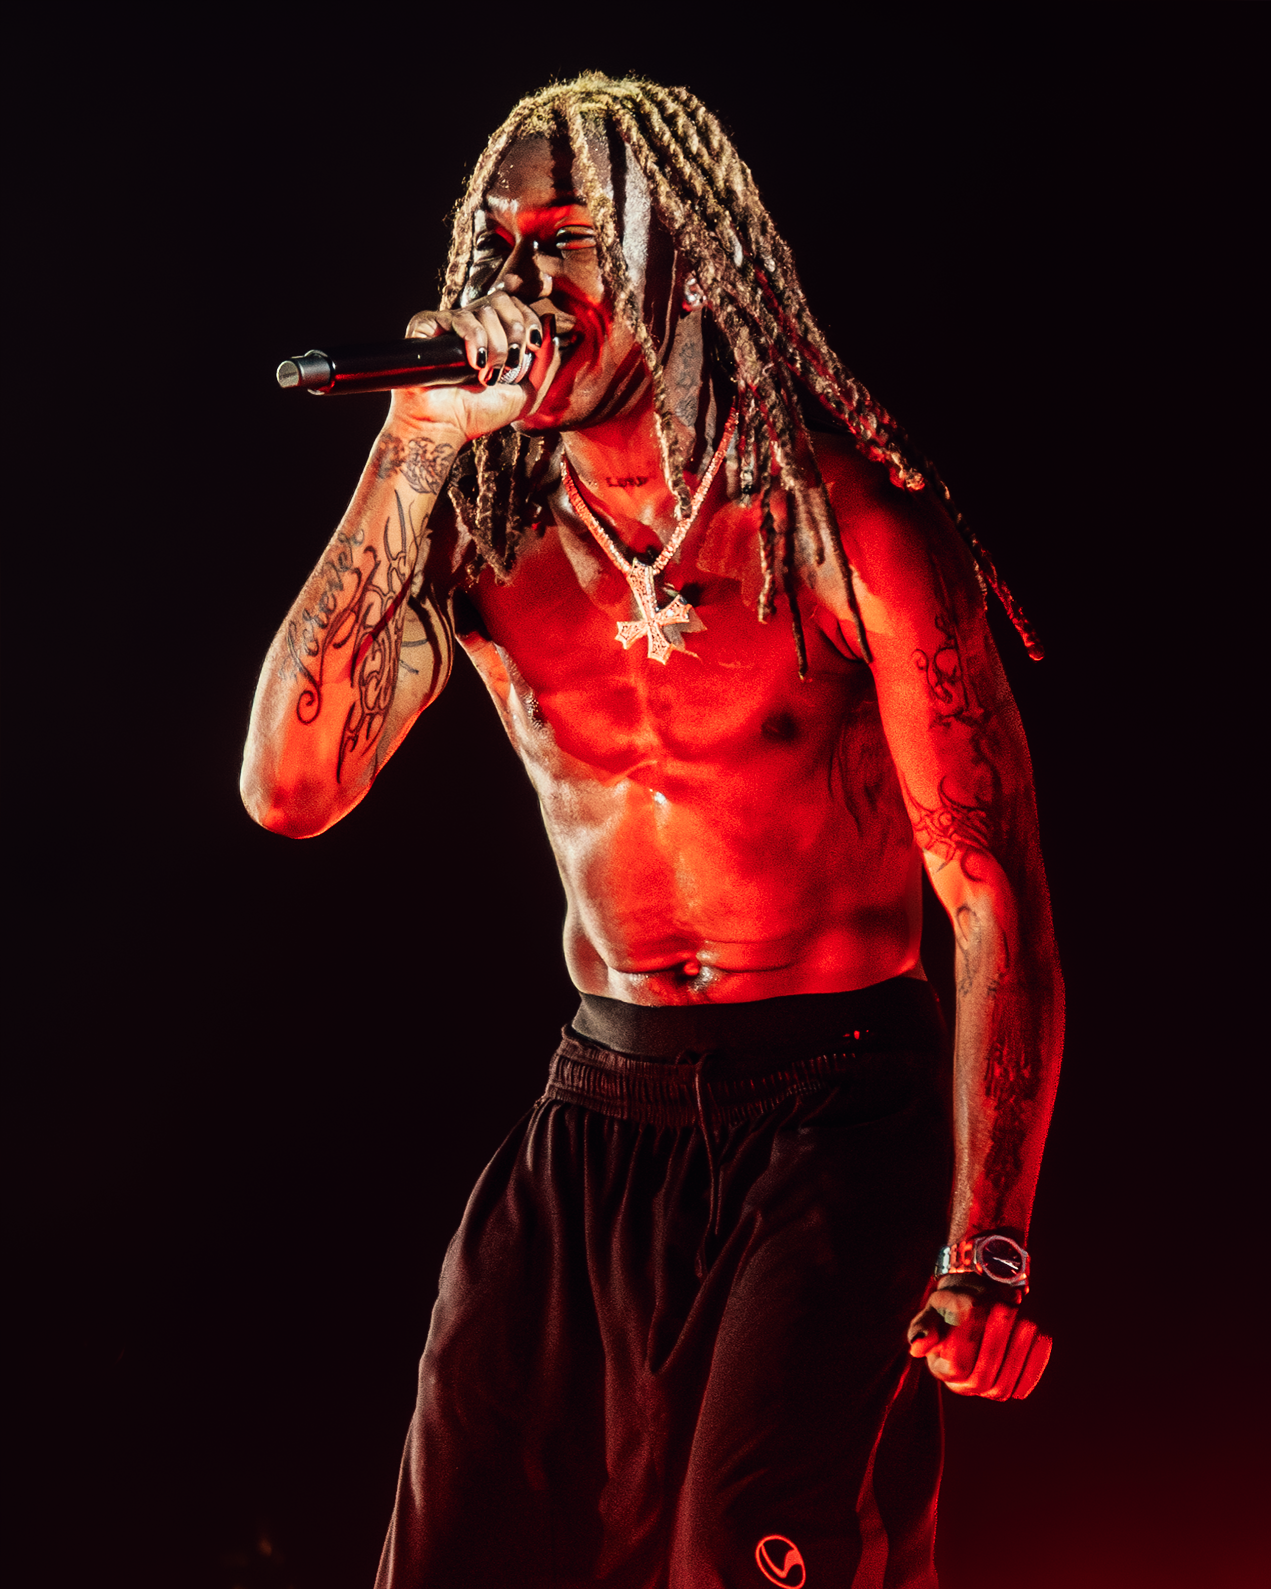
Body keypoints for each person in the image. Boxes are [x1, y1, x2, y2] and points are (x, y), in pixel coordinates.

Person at [241, 74, 1063, 1589]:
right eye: (497, 245)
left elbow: (991, 898)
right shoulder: (485, 525)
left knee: (741, 1550)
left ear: (675, 266)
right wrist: (410, 447)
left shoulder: (845, 523)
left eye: (561, 243)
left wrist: (986, 1241)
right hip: (600, 1104)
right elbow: (290, 790)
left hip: (833, 1110)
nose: (516, 283)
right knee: (454, 1549)